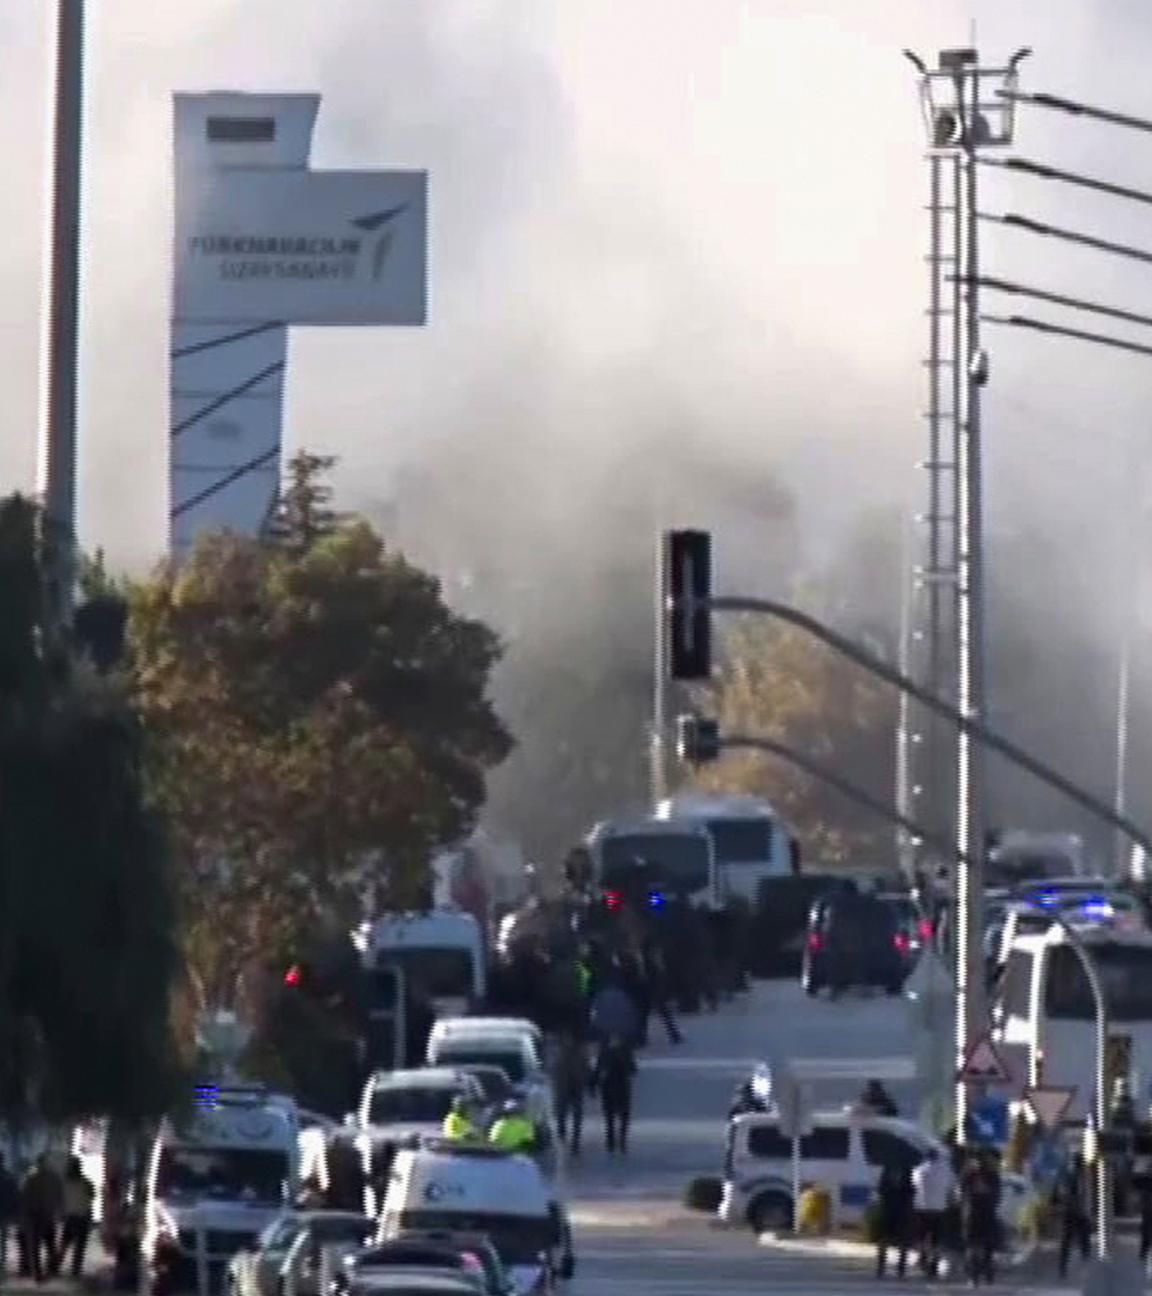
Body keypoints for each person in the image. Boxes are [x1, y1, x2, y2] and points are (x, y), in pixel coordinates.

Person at [912, 1148, 956, 1279]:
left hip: (922, 1207)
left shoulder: (920, 1170)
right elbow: (952, 1188)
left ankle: (923, 1259)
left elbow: (915, 1185)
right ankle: (934, 1263)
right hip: (940, 1209)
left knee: (922, 1236)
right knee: (937, 1239)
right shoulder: (946, 1171)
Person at [959, 1149, 1001, 1287]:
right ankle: (987, 1273)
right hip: (988, 1213)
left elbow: (961, 1192)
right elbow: (997, 1197)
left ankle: (973, 1277)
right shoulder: (993, 1175)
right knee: (987, 1245)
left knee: (973, 1246)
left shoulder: (969, 1175)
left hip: (972, 1213)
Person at [590, 1035, 637, 1156]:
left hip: (607, 1087)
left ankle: (610, 1142)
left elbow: (597, 1070)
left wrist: (592, 1086)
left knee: (609, 1116)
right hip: (622, 1087)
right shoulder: (625, 1051)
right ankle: (622, 1141)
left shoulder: (604, 1052)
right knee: (623, 1116)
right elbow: (633, 1069)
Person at [20, 1155, 62, 1283]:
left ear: (38, 1164)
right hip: (48, 1215)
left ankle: (38, 1275)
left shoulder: (31, 1178)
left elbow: (25, 1197)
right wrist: (59, 1211)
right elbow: (60, 1197)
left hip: (34, 1216)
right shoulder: (55, 1178)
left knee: (35, 1247)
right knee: (50, 1245)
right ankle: (52, 1269)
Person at [874, 1161, 914, 1280]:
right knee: (902, 1240)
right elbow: (911, 1191)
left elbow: (880, 1189)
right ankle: (900, 1269)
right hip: (900, 1210)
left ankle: (881, 1268)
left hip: (888, 1209)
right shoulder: (907, 1170)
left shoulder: (887, 1169)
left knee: (885, 1239)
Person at [1054, 1152, 1092, 1279]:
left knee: (1080, 1242)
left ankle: (1070, 1268)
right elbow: (1067, 1195)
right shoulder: (1073, 1177)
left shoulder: (1080, 1177)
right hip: (1074, 1213)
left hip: (1078, 1213)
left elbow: (1085, 1196)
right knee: (1071, 1242)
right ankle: (1063, 1268)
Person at [552, 1032, 589, 1157]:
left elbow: (586, 1068)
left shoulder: (579, 1053)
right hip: (564, 1087)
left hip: (575, 1087)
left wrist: (586, 1082)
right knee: (562, 1113)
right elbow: (555, 1071)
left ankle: (575, 1140)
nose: (569, 1042)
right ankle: (562, 1134)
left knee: (576, 1114)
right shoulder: (560, 1053)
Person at [59, 1157, 94, 1280]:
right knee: (79, 1246)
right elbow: (91, 1198)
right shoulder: (86, 1182)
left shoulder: (64, 1183)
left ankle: (56, 1266)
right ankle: (75, 1269)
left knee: (64, 1243)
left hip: (70, 1217)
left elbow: (61, 1199)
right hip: (82, 1217)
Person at [0, 1152, 16, 1278]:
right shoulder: (9, 1177)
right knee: (3, 1237)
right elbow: (14, 1196)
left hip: (4, 1211)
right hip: (4, 1212)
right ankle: (2, 1259)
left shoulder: (10, 1177)